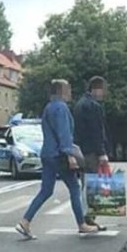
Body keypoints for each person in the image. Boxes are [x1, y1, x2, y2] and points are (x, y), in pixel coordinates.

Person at [15, 79, 98, 239]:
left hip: (46, 153)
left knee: (46, 190)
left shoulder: (49, 107)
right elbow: (63, 134)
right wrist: (70, 156)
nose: (70, 93)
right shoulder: (61, 108)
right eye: (68, 89)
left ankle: (25, 221)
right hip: (59, 155)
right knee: (74, 187)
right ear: (61, 91)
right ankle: (82, 224)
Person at [74, 75, 112, 230]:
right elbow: (96, 131)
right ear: (96, 89)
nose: (104, 93)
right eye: (103, 90)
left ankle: (86, 220)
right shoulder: (93, 106)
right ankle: (87, 220)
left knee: (86, 184)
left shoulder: (79, 104)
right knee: (92, 186)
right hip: (91, 152)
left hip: (81, 151)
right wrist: (102, 152)